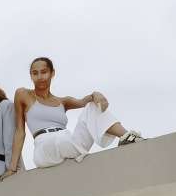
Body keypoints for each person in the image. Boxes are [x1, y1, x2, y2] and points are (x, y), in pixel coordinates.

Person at [10, 56, 143, 172]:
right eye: (35, 73)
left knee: (92, 107)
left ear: (52, 73)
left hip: (67, 140)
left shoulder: (63, 101)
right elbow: (20, 132)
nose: (39, 77)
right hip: (44, 146)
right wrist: (12, 167)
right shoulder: (23, 94)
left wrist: (96, 94)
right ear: (31, 76)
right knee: (61, 139)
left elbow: (86, 101)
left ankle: (126, 137)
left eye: (44, 72)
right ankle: (79, 154)